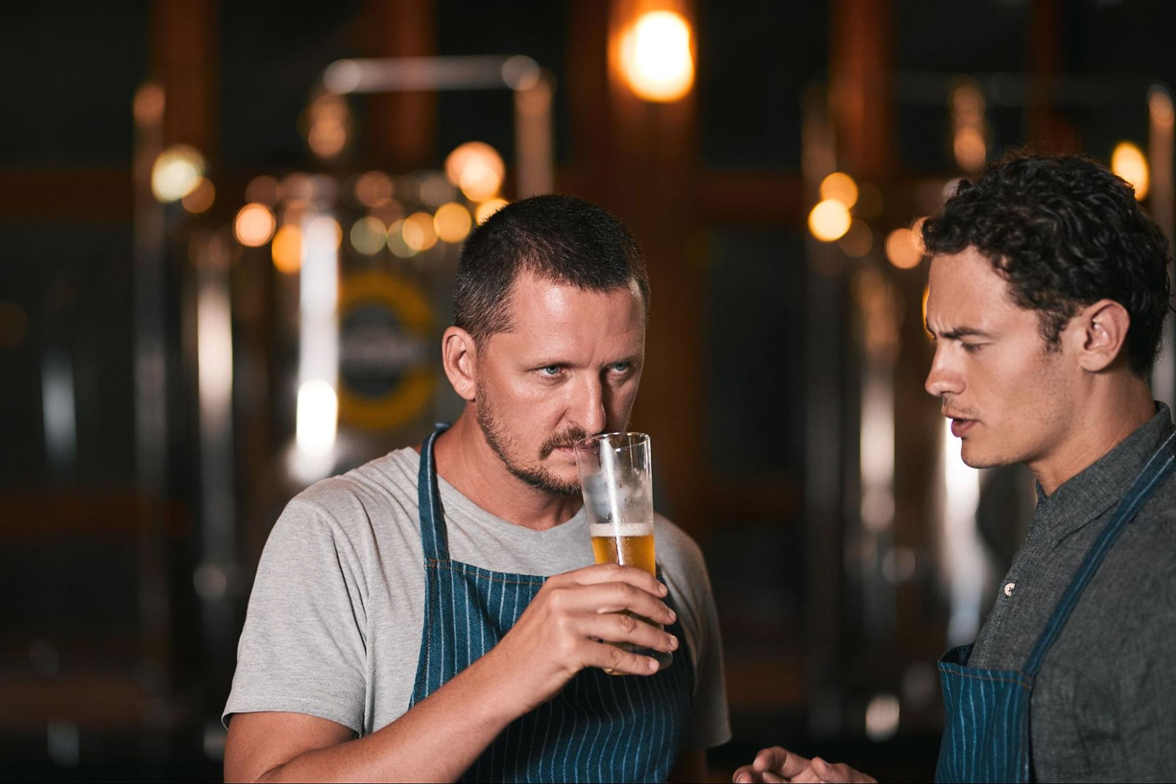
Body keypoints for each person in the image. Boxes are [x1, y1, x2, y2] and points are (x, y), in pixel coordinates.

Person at [223, 194, 730, 782]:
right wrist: (511, 672)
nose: (594, 416)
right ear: (464, 363)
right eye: (552, 371)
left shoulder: (672, 560)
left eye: (618, 369)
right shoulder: (342, 534)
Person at [737, 153, 1176, 783]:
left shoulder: (1161, 578)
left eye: (971, 343)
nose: (936, 377)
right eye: (939, 341)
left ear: (1096, 336)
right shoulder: (1062, 520)